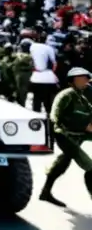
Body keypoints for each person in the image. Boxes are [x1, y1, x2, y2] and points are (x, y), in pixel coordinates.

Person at [39, 66, 92, 207]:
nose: (86, 80)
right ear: (72, 81)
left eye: (86, 78)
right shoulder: (66, 94)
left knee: (63, 162)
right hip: (65, 135)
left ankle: (45, 192)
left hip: (79, 135)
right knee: (90, 167)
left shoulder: (83, 97)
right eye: (81, 78)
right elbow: (55, 115)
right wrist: (58, 130)